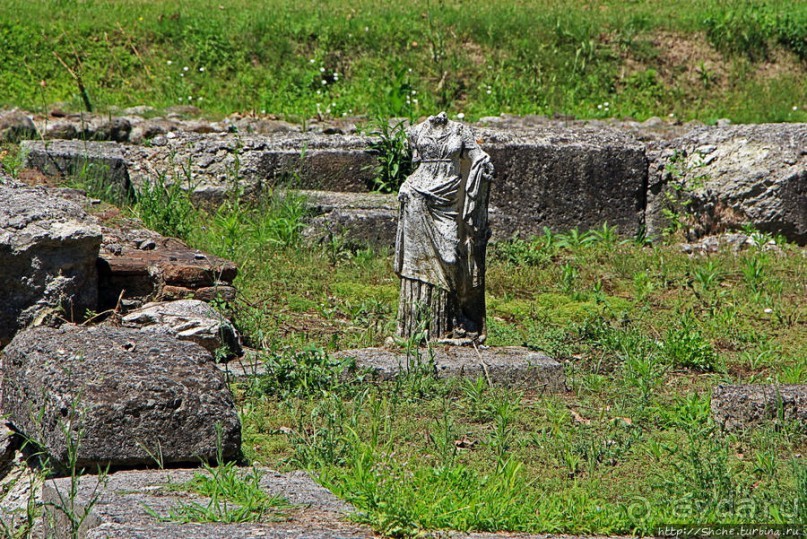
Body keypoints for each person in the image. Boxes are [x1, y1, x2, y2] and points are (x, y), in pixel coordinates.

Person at [394, 112, 494, 343]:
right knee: (416, 260)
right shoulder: (416, 131)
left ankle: (451, 318)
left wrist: (485, 165)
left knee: (451, 257)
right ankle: (417, 325)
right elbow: (415, 162)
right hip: (417, 194)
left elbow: (477, 156)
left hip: (449, 196)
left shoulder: (460, 130)